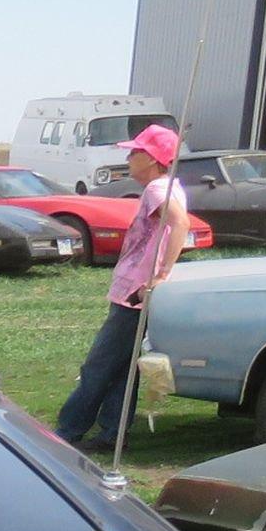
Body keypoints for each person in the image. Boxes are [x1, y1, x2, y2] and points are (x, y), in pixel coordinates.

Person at [55, 124, 191, 451]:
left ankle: (67, 432)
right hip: (135, 293)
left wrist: (161, 274)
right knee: (122, 370)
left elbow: (180, 223)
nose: (129, 157)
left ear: (153, 159)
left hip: (134, 295)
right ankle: (113, 434)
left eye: (135, 152)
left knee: (98, 366)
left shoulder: (158, 190)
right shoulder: (170, 186)